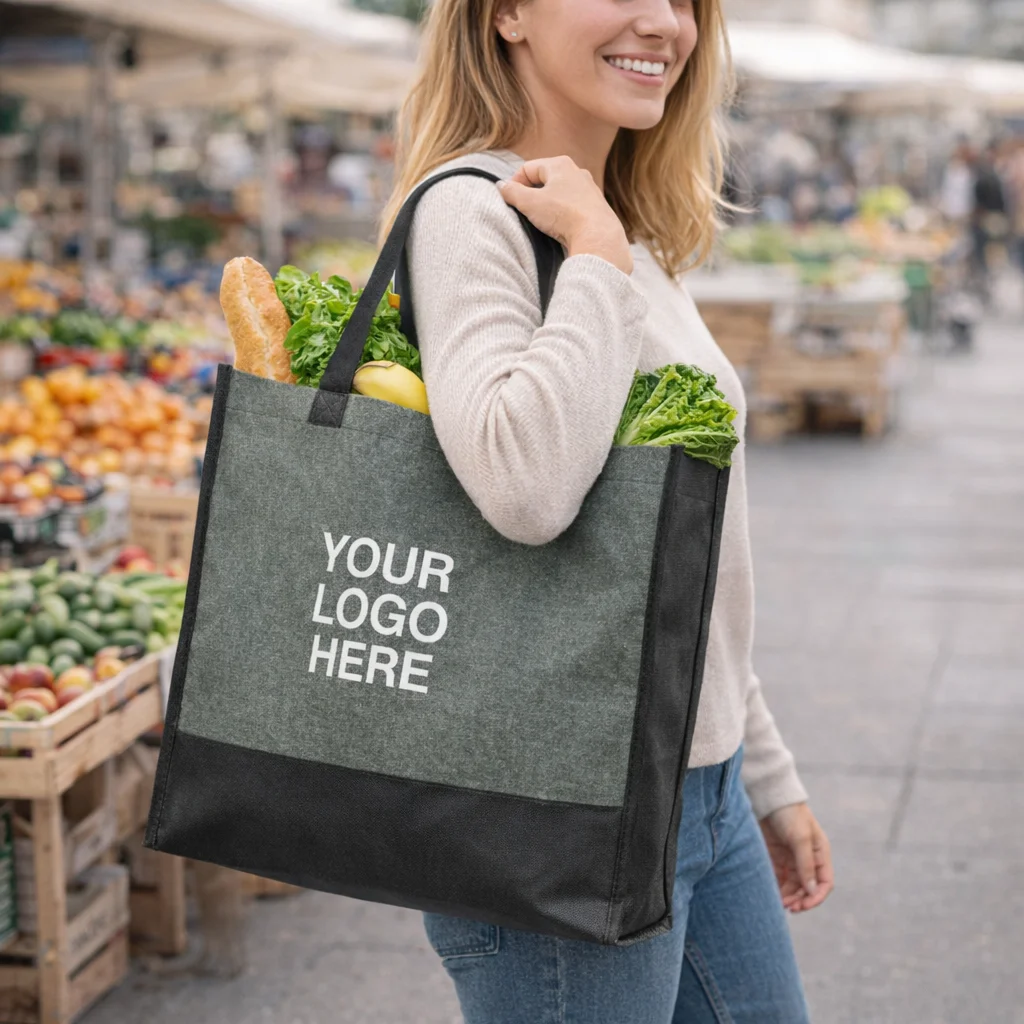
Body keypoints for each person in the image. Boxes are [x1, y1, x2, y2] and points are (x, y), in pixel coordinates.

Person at [380, 0, 834, 1020]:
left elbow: (684, 553)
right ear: (505, 15)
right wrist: (592, 254)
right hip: (558, 805)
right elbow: (523, 486)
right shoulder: (477, 213)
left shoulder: (627, 235)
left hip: (697, 783)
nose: (660, 21)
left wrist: (760, 771)